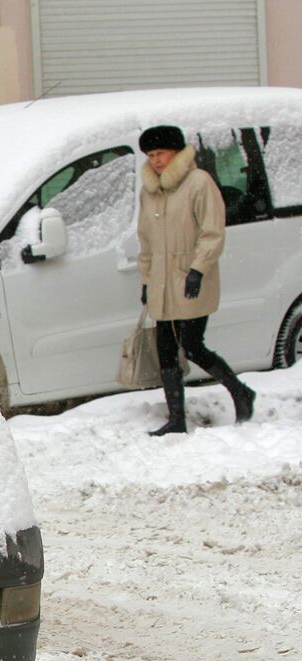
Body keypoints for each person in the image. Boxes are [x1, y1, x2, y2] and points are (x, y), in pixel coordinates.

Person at [137, 124, 255, 436]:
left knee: (192, 345)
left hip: (191, 280)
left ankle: (240, 392)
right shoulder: (150, 191)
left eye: (160, 153)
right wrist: (146, 280)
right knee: (165, 348)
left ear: (176, 151)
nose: (156, 160)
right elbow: (145, 239)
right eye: (151, 155)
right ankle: (176, 419)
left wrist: (198, 270)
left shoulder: (199, 183)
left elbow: (212, 232)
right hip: (162, 283)